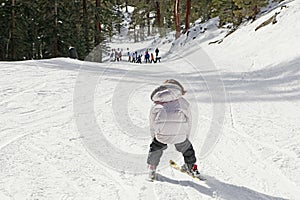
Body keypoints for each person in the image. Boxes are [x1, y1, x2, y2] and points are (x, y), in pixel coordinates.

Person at [147, 79, 201, 181]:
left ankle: (152, 168)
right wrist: (185, 137)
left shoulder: (156, 103)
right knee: (187, 150)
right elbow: (189, 120)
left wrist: (154, 137)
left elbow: (152, 122)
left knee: (155, 148)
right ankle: (192, 167)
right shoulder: (183, 102)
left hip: (162, 135)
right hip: (179, 135)